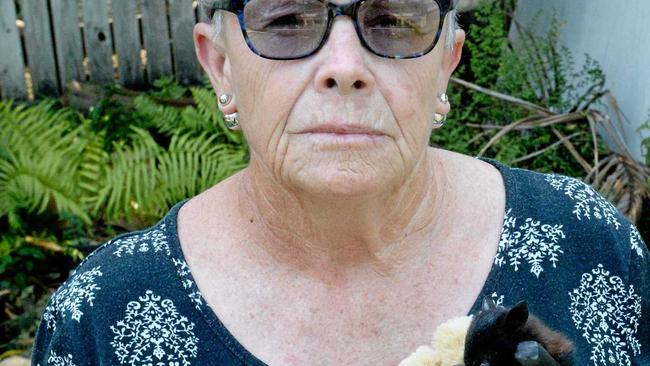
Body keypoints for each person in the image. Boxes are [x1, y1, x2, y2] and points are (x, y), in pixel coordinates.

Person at [31, 1, 648, 365]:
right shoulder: (103, 318)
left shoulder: (587, 243)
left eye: (392, 19)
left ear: (447, 65)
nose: (346, 68)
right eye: (289, 20)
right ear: (220, 64)